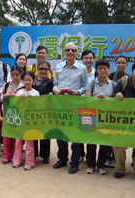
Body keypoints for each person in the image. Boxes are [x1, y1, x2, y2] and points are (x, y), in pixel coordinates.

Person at [52, 42, 88, 174]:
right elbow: (54, 84)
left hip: (76, 104)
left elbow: (85, 85)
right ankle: (62, 159)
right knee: (61, 132)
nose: (70, 52)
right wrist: (56, 90)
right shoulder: (58, 67)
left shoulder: (82, 68)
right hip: (61, 104)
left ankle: (74, 162)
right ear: (64, 52)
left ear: (76, 52)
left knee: (76, 134)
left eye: (73, 50)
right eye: (68, 49)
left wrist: (77, 92)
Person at [112, 60, 135, 181]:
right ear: (132, 71)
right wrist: (117, 95)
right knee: (119, 145)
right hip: (122, 122)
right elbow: (112, 99)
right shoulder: (122, 82)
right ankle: (119, 169)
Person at [85, 59, 115, 175]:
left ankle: (101, 165)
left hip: (106, 119)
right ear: (96, 70)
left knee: (104, 142)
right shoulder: (91, 83)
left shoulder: (113, 84)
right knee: (91, 142)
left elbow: (116, 102)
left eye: (105, 68)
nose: (102, 71)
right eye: (100, 68)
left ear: (108, 70)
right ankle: (91, 164)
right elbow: (87, 100)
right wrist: (96, 97)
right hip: (92, 117)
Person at [12, 72, 39, 171]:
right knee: (18, 141)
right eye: (25, 80)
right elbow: (15, 106)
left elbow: (38, 107)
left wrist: (32, 100)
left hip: (30, 121)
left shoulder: (36, 93)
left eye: (29, 80)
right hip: (20, 120)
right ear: (22, 81)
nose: (27, 82)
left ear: (33, 81)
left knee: (29, 142)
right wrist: (20, 99)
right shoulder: (19, 92)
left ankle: (29, 162)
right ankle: (16, 161)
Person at [106, 55, 129, 168]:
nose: (120, 64)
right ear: (115, 64)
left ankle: (116, 160)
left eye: (123, 62)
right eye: (118, 62)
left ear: (126, 65)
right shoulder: (109, 76)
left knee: (117, 136)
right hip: (109, 109)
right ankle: (107, 158)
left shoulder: (129, 78)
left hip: (122, 112)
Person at [1, 65, 24, 164]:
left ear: (21, 74)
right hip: (8, 113)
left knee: (16, 136)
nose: (15, 77)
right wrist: (6, 95)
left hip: (19, 114)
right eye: (13, 75)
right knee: (6, 135)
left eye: (17, 75)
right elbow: (1, 98)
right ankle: (6, 155)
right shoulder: (6, 85)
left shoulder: (23, 86)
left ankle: (14, 154)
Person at [33, 61, 54, 164]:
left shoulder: (51, 82)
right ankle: (33, 154)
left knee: (45, 134)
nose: (43, 71)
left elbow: (55, 96)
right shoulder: (31, 81)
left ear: (49, 70)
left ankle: (45, 156)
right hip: (32, 111)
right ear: (37, 69)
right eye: (41, 68)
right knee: (33, 132)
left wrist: (52, 94)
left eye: (45, 69)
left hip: (46, 113)